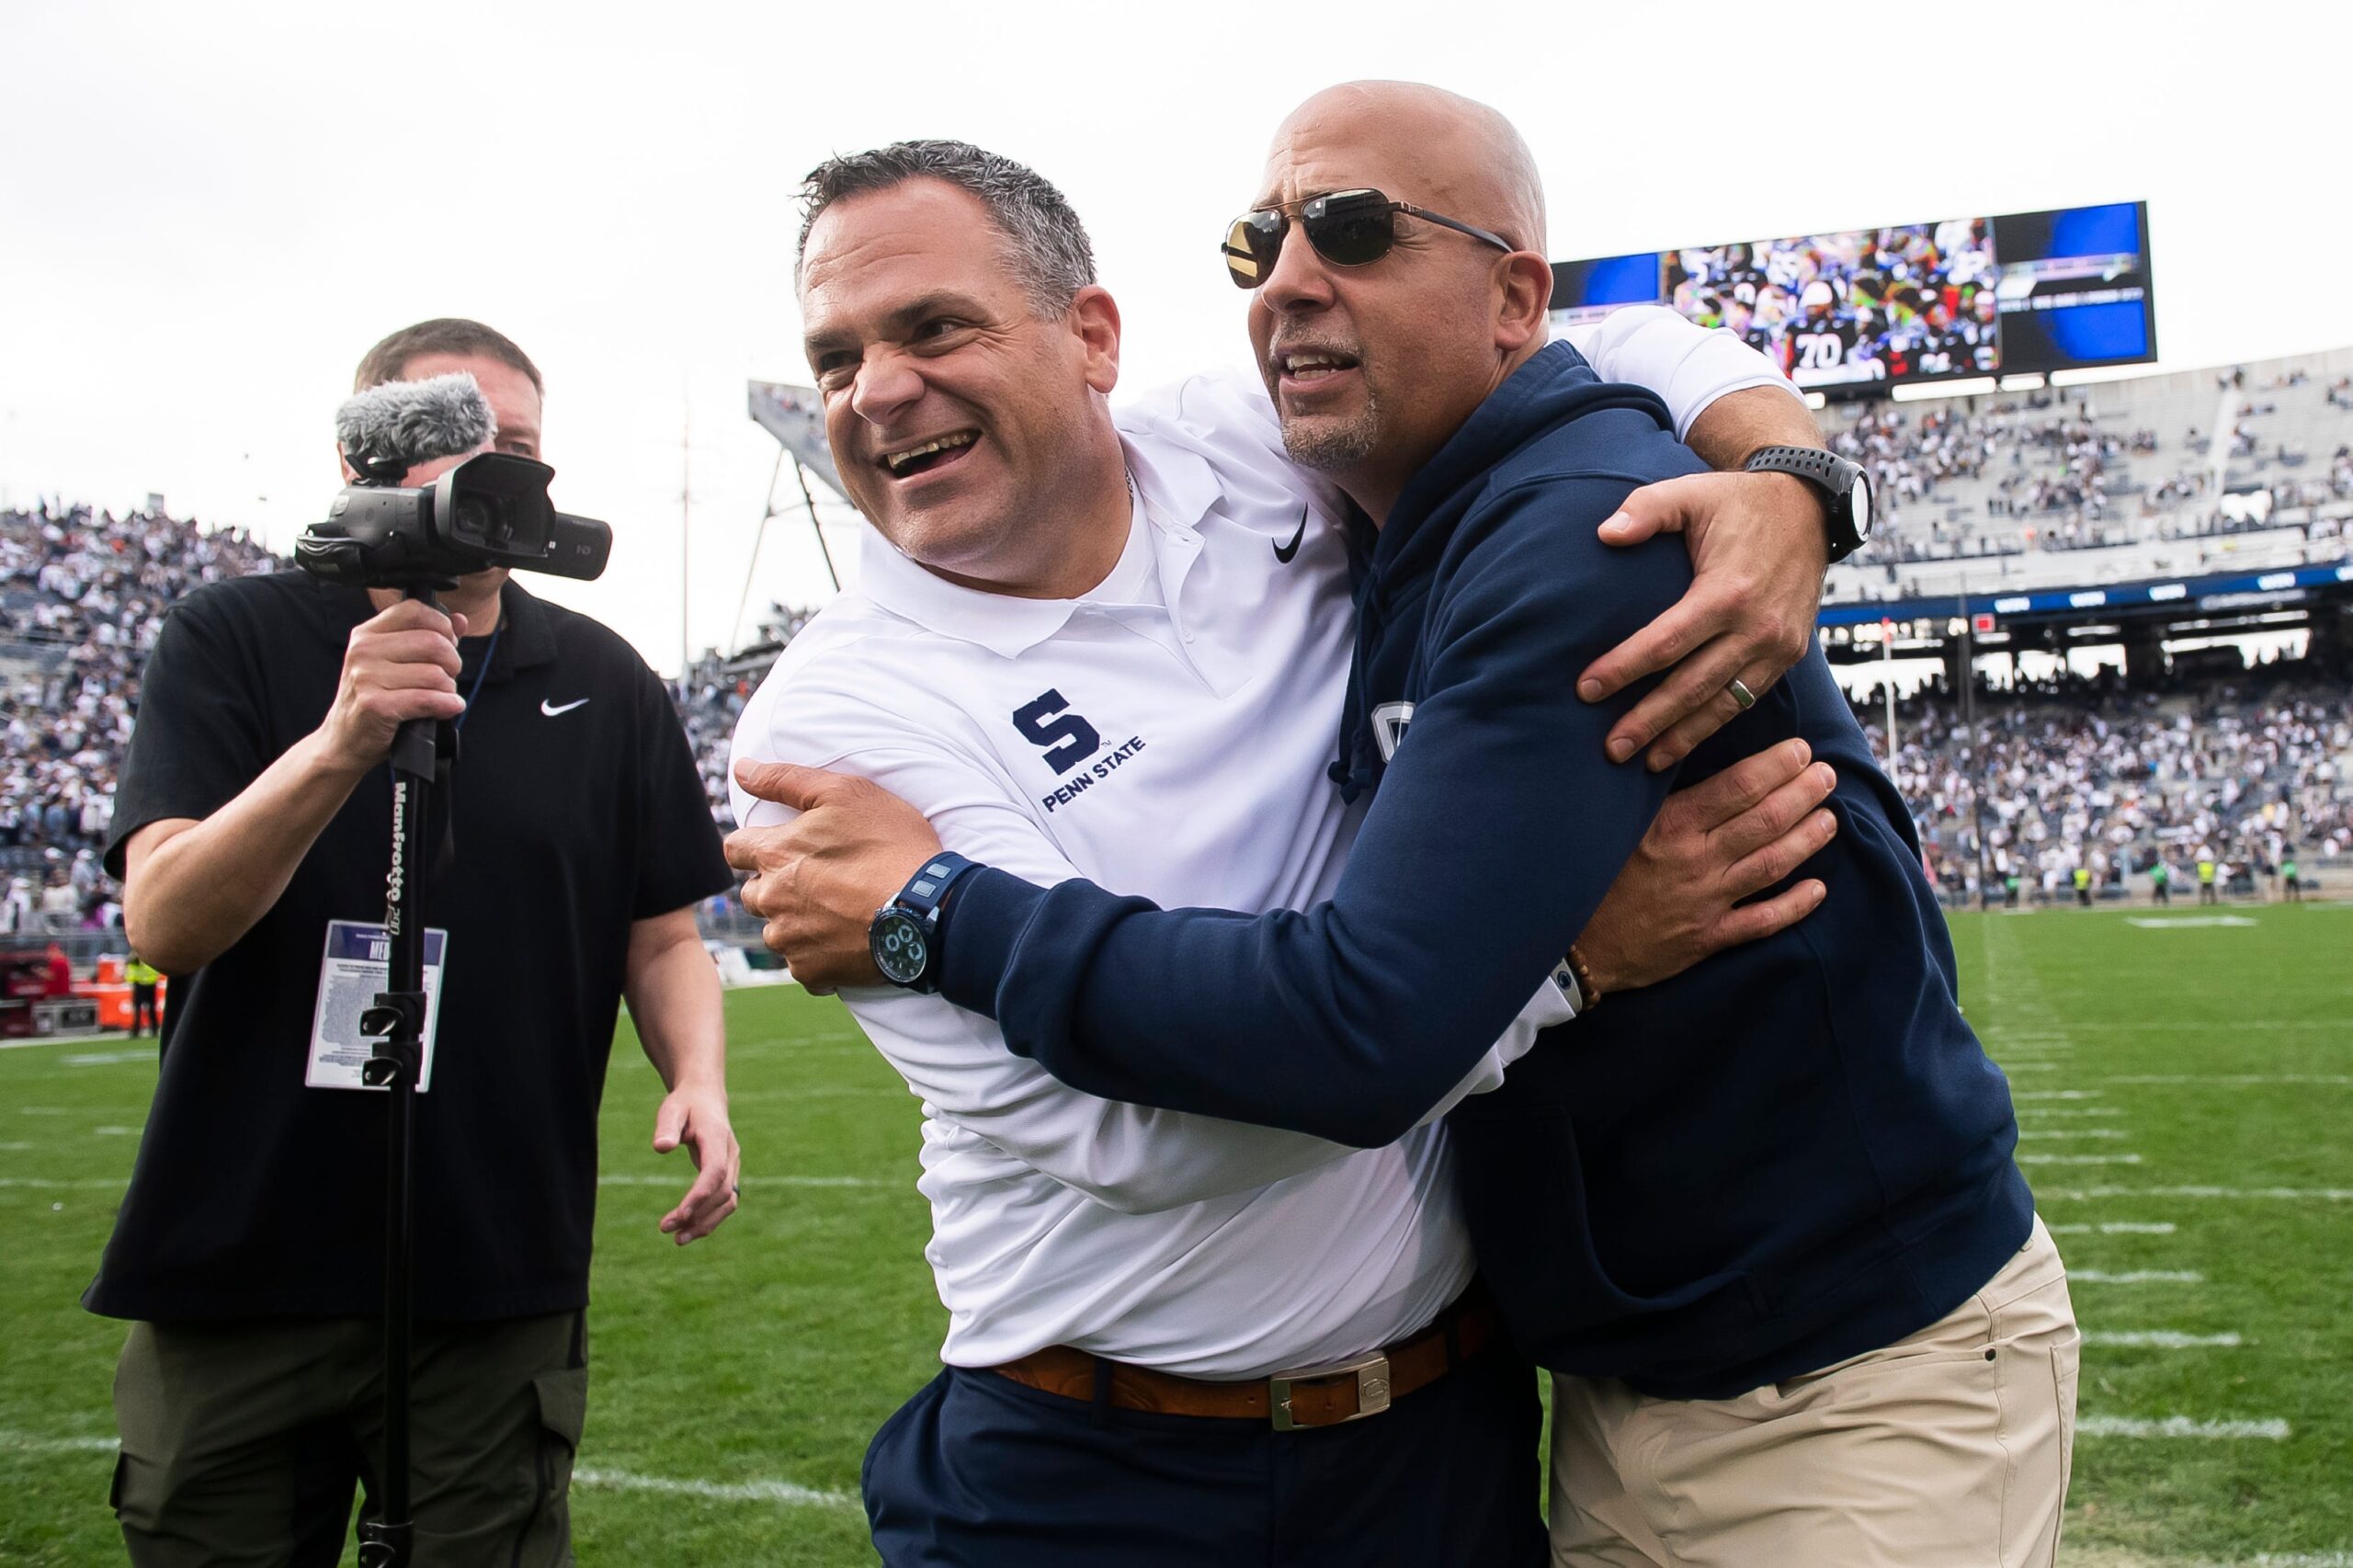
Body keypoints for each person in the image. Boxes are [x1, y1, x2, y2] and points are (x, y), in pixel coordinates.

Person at [745, 85, 2075, 1568]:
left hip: (1506, 1416)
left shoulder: (1270, 459)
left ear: (1094, 339)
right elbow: (1142, 1140)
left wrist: (1793, 473)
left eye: (935, 328)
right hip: (1107, 1460)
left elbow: (1602, 339)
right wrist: (1562, 967)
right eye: (835, 357)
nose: (878, 389)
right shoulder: (831, 735)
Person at [92, 318, 738, 1566]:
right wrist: (340, 741)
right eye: (448, 440)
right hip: (237, 1251)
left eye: (518, 447)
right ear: (360, 463)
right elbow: (166, 923)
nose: (489, 472)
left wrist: (699, 1080)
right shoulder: (233, 635)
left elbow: (662, 933)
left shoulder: (604, 676)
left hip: (493, 1259)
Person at [125, 951, 160, 1038]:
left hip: (146, 984)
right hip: (144, 983)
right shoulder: (138, 956)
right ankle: (142, 1029)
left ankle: (149, 1029)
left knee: (146, 1008)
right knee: (141, 1009)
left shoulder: (141, 955)